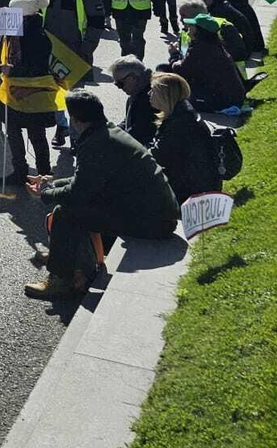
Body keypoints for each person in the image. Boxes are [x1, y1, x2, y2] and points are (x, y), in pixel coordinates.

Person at [25, 91, 178, 299]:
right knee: (74, 208)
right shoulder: (107, 132)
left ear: (76, 120)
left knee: (66, 212)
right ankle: (62, 257)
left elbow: (79, 193)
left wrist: (45, 194)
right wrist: (50, 182)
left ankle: (61, 280)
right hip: (153, 212)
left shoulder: (96, 144)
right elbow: (87, 181)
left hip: (152, 221)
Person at [148, 72, 223, 204]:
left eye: (153, 91)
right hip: (197, 183)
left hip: (193, 191)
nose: (149, 94)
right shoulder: (182, 112)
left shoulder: (180, 122)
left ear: (165, 95)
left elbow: (158, 156)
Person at [167, 14, 247, 113]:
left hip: (222, 101)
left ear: (199, 31)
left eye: (192, 26)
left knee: (175, 94)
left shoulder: (201, 48)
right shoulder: (212, 44)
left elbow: (181, 70)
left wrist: (174, 55)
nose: (188, 27)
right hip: (231, 97)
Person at [112, 56, 157, 146]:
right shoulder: (137, 93)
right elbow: (128, 122)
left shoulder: (149, 98)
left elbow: (137, 134)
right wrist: (112, 132)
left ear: (132, 78)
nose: (120, 88)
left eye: (120, 84)